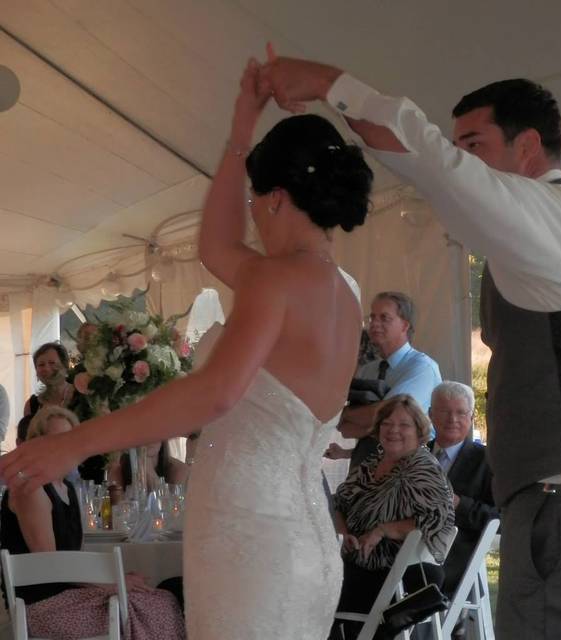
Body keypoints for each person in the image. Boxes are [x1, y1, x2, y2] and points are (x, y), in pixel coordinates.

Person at [258, 50, 561, 639]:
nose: (462, 162)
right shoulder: (556, 240)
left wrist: (331, 85)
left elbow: (434, 165)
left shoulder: (556, 220)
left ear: (527, 146)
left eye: (474, 145)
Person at [0, 58, 373, 639]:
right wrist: (240, 129)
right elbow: (215, 245)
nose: (248, 212)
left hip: (251, 537)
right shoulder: (341, 291)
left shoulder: (275, 281)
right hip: (304, 539)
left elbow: (213, 392)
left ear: (275, 198)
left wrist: (72, 443)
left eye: (254, 197)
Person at [1, 405, 185, 639]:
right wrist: (111, 582)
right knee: (154, 607)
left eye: (68, 440)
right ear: (39, 444)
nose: (63, 448)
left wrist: (115, 578)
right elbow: (48, 564)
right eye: (54, 440)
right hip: (41, 607)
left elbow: (73, 557)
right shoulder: (31, 488)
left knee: (163, 599)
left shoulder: (65, 487)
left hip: (69, 597)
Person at [332, 394, 455, 640]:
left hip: (388, 572)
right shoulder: (372, 464)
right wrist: (344, 532)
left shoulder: (422, 468)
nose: (393, 430)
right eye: (387, 424)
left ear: (419, 431)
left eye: (404, 425)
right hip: (354, 561)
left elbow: (438, 519)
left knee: (314, 582)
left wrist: (382, 530)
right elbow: (338, 504)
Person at [328, 291, 441, 465]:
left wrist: (346, 414)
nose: (374, 324)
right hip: (363, 465)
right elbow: (346, 429)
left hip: (404, 469)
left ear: (405, 325)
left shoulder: (422, 368)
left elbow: (387, 416)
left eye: (384, 318)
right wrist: (362, 419)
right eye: (372, 317)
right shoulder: (368, 370)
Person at [426, 382, 497, 600]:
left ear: (471, 416)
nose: (452, 419)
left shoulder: (488, 461)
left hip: (454, 563)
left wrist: (459, 504)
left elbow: (501, 519)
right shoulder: (416, 455)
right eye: (445, 411)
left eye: (460, 412)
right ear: (430, 414)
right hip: (403, 552)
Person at [107, 440, 190, 504]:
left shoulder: (178, 469)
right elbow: (118, 515)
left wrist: (146, 465)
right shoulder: (118, 471)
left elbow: (170, 512)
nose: (150, 439)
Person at [22, 343, 75, 419]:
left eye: (52, 363)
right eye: (41, 365)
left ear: (65, 366)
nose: (46, 368)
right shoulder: (32, 405)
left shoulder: (82, 396)